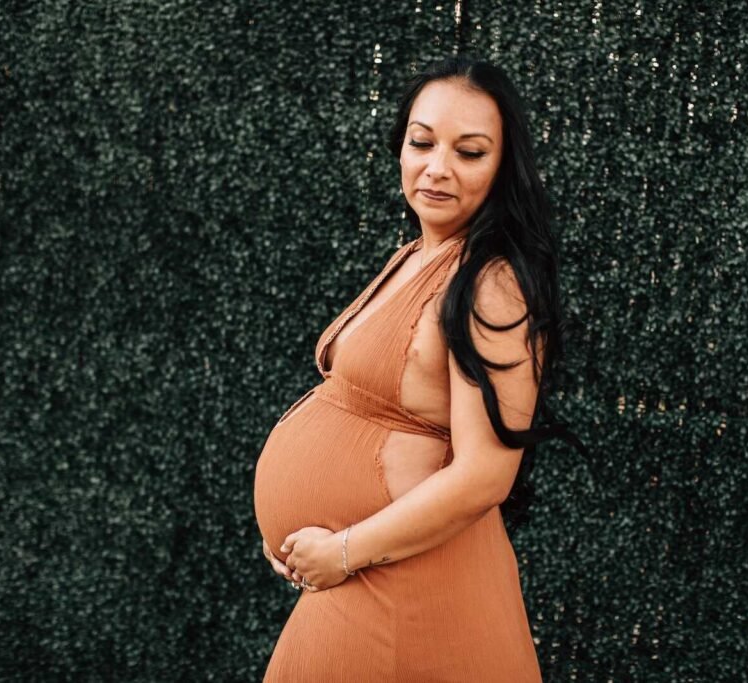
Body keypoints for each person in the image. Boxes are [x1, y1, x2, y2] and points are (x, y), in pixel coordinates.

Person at [252, 54, 587, 682]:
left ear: (502, 169)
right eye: (421, 142)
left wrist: (340, 551)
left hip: (405, 589)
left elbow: (486, 474)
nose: (437, 168)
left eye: (470, 152)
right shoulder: (419, 253)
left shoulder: (492, 285)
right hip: (362, 577)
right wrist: (305, 542)